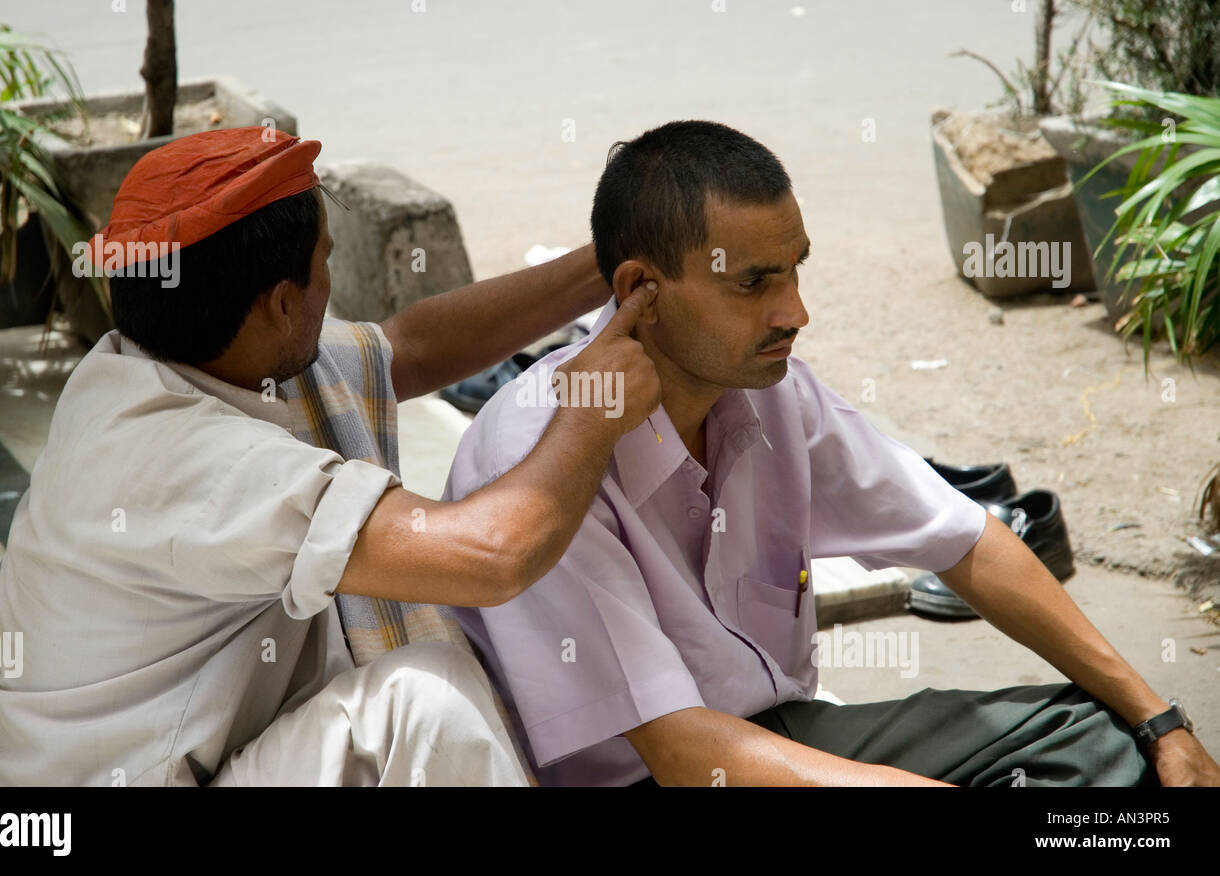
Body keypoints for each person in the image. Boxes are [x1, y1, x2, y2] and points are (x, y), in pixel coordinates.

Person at [444, 120, 1220, 787]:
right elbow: (682, 755)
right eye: (753, 283)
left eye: (794, 270)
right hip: (657, 776)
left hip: (774, 736)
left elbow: (964, 539)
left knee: (1101, 742)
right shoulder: (541, 451)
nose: (796, 313)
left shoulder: (769, 388)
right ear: (642, 288)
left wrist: (1160, 718)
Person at [0, 126, 659, 786]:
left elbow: (407, 348)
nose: (332, 287)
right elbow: (493, 556)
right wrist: (588, 415)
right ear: (281, 307)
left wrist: (608, 264)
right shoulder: (188, 463)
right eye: (325, 261)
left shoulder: (163, 362)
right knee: (428, 705)